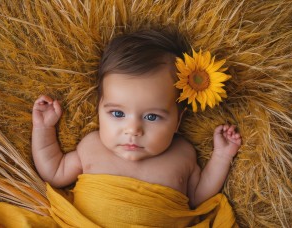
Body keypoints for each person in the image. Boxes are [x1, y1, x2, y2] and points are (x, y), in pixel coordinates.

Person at [32, 29, 241, 209]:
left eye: (152, 116)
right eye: (117, 114)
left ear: (178, 120)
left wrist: (221, 157)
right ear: (99, 109)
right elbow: (55, 172)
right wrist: (44, 129)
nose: (132, 129)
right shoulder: (92, 146)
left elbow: (198, 196)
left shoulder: (183, 154)